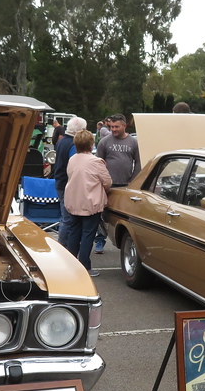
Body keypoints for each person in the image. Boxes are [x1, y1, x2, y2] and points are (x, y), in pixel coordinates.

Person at [62, 130, 111, 276]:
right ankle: (85, 266)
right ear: (91, 144)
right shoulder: (96, 161)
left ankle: (71, 264)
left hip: (73, 201)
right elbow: (107, 182)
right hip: (91, 203)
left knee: (74, 233)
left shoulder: (72, 159)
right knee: (88, 235)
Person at [95, 113, 140, 253]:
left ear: (124, 126)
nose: (113, 129)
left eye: (116, 127)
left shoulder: (133, 142)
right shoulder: (104, 142)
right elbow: (98, 163)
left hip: (125, 185)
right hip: (107, 185)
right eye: (112, 127)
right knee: (102, 214)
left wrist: (133, 181)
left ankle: (125, 243)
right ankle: (100, 240)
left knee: (124, 216)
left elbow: (138, 163)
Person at [54, 116, 87, 247]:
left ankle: (63, 246)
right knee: (68, 220)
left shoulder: (61, 141)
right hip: (69, 185)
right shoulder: (74, 144)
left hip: (60, 181)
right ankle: (64, 248)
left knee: (65, 217)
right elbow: (75, 166)